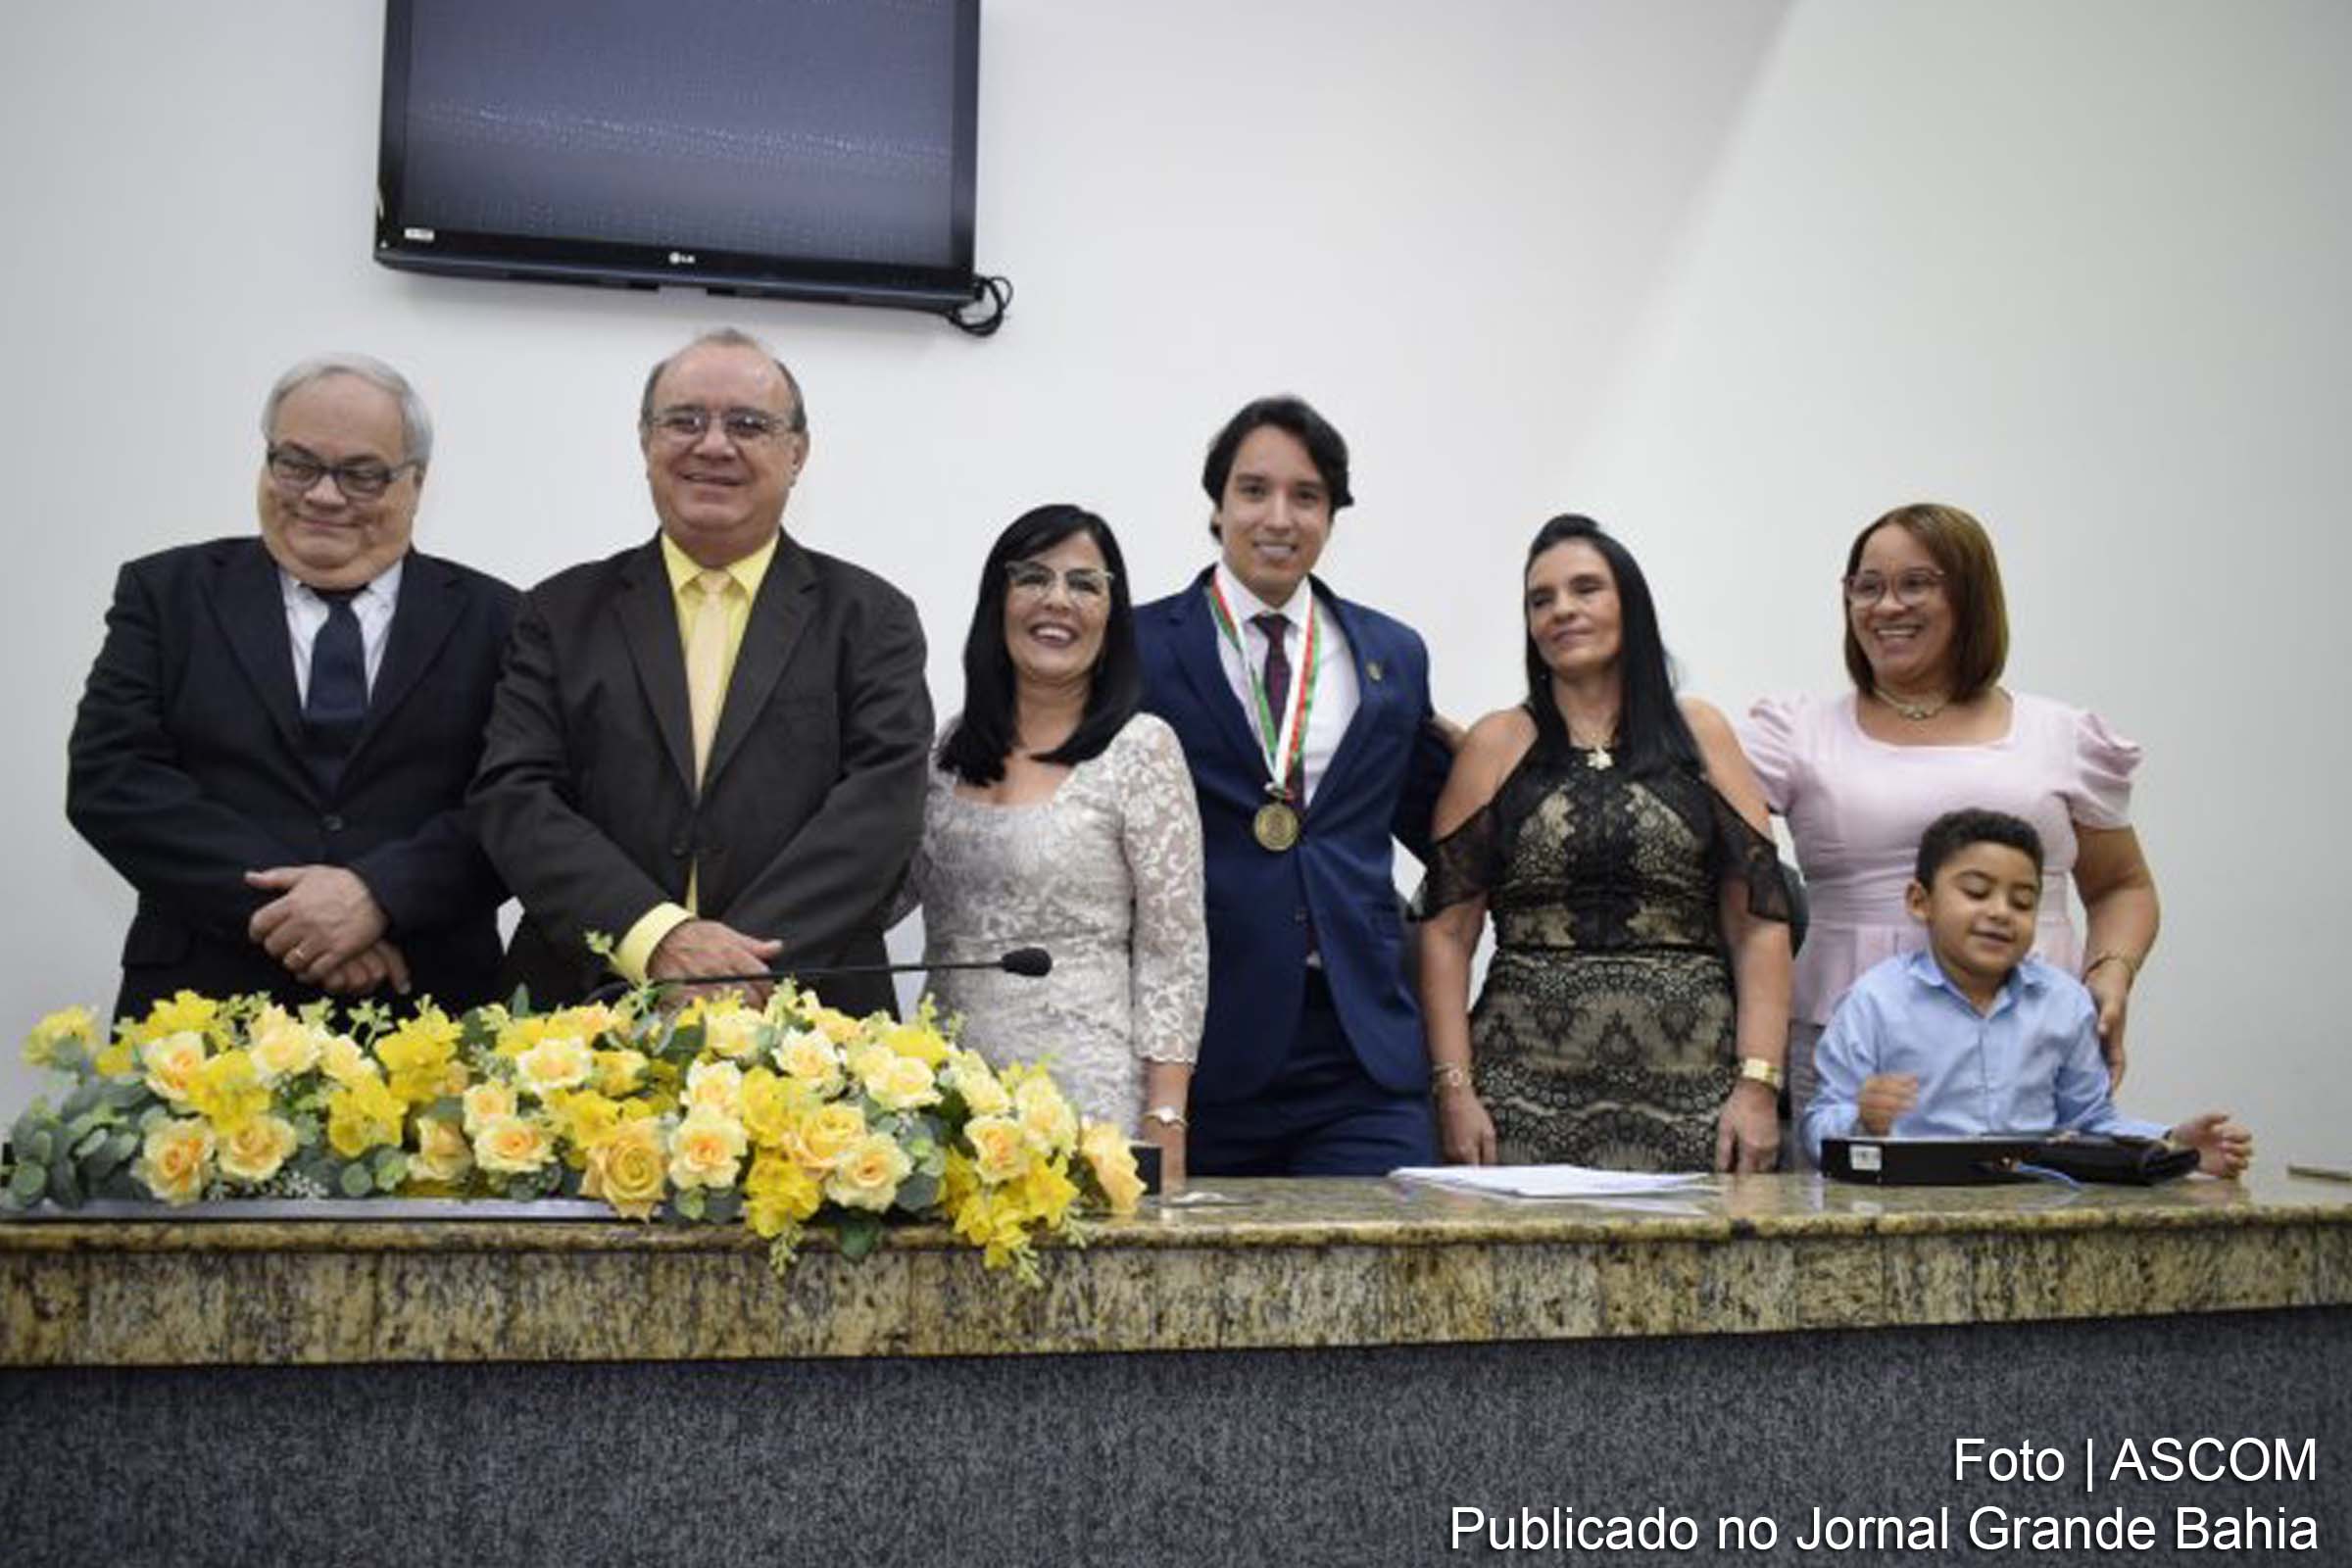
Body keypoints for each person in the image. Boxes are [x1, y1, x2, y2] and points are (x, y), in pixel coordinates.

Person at [469, 328, 932, 1015]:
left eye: (748, 424)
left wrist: (736, 967)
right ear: (645, 441)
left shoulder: (870, 619)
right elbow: (515, 796)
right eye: (684, 420)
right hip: (584, 1009)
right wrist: (657, 938)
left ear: (797, 453)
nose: (713, 445)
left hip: (810, 1020)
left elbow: (879, 811)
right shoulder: (559, 613)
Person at [68, 354, 515, 1019]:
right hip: (201, 1011)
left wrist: (376, 898)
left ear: (415, 483)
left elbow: (517, 801)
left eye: (362, 474)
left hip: (426, 1012)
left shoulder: (503, 619)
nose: (323, 495)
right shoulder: (167, 595)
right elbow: (113, 780)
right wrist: (305, 919)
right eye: (297, 463)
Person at [1743, 503, 2159, 1165]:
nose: (1887, 606)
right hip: (1850, 1046)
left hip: (2028, 1044)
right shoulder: (1797, 734)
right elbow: (1717, 871)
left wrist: (2111, 975)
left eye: (1916, 584)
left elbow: (2121, 887)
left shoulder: (2061, 737)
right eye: (1867, 586)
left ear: (1969, 597)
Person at [1135, 395, 1453, 1177]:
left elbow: (1442, 822)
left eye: (1306, 496)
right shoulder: (1139, 647)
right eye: (1254, 491)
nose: (1279, 517)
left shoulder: (1392, 654)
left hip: (1361, 1051)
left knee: (1387, 1284)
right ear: (1217, 507)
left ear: (1332, 515)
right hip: (1208, 1049)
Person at [1417, 514, 1793, 1173]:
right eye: (1541, 599)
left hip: (1697, 1093)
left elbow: (1759, 925)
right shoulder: (1497, 743)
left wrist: (1758, 1086)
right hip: (1520, 1094)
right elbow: (1446, 936)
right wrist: (1453, 1090)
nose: (1561, 610)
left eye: (1585, 589)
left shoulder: (1699, 734)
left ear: (1631, 604)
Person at [894, 506, 1205, 1178]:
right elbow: (885, 894)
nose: (1057, 600)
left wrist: (1166, 1115)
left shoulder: (1141, 750)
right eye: (1033, 577)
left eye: (1085, 584)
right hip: (943, 1101)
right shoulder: (946, 749)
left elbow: (1173, 952)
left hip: (1087, 1109)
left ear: (1111, 614)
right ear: (997, 601)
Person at [1803, 809, 2246, 1175]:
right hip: (1910, 1205)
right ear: (1921, 902)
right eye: (1977, 892)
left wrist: (2174, 1147)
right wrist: (1862, 1118)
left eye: (2021, 902)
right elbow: (1816, 1127)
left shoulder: (2063, 1002)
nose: (2000, 913)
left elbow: (2090, 1123)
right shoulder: (1875, 1000)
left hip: (2036, 1205)